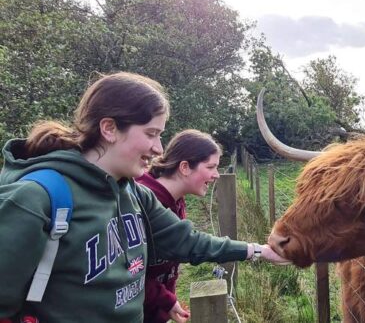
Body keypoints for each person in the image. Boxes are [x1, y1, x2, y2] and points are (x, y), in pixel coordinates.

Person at [0, 72, 289, 323]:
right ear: (109, 128)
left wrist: (258, 251)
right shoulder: (36, 199)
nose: (159, 148)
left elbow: (186, 241)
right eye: (151, 133)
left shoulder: (132, 193)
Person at [135, 129, 226, 323]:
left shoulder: (176, 199)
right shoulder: (141, 203)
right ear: (184, 167)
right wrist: (166, 300)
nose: (217, 175)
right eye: (211, 167)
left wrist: (167, 302)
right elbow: (131, 273)